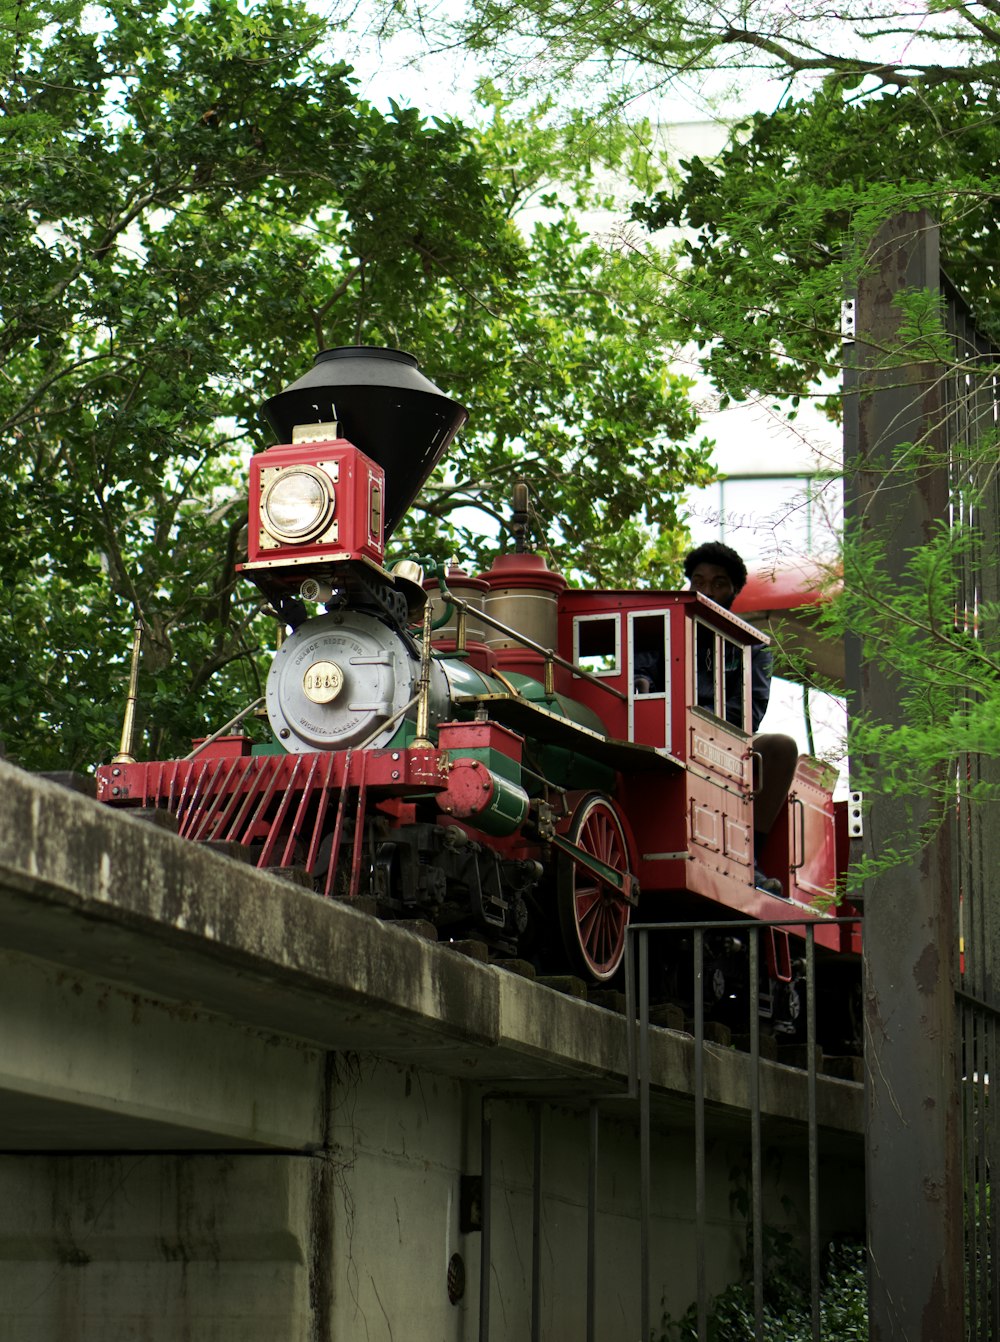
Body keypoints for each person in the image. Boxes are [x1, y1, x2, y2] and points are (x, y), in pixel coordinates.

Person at [683, 542, 798, 898]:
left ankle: (750, 857)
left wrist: (700, 720)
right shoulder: (662, 630)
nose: (706, 590)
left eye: (718, 583)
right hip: (664, 733)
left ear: (733, 591)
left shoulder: (754, 647)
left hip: (724, 743)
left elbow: (750, 711)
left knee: (780, 747)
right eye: (698, 580)